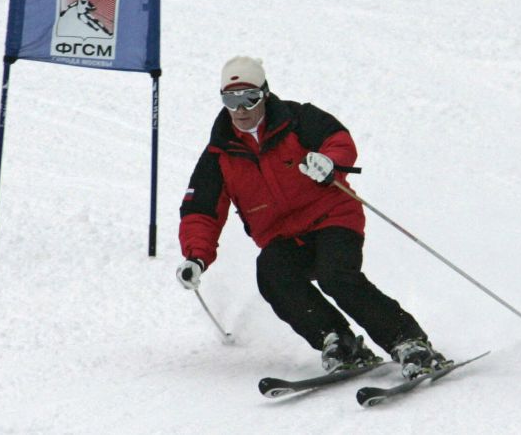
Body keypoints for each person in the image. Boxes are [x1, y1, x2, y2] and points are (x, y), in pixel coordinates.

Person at [175, 56, 448, 379]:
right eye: (230, 100)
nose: (241, 108)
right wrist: (196, 257)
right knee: (272, 274)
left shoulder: (298, 119)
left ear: (265, 94)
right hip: (282, 236)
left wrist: (330, 162)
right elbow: (201, 211)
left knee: (337, 276)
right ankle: (338, 341)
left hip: (333, 217)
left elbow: (339, 139)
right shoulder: (219, 154)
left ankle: (408, 341)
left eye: (249, 98)